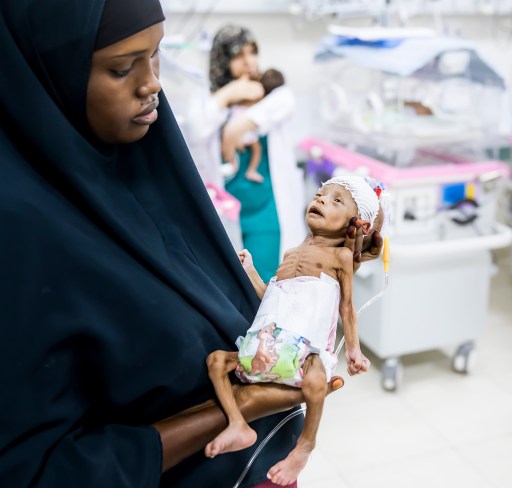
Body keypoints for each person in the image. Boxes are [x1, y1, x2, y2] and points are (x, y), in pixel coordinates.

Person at [0, 1, 381, 486]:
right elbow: (38, 470)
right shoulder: (22, 234)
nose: (152, 82)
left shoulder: (153, 172)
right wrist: (234, 409)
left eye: (155, 54)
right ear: (47, 76)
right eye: (121, 67)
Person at [205, 176, 383, 485]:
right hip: (268, 341)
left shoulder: (339, 257)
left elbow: (347, 307)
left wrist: (353, 350)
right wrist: (250, 272)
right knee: (217, 362)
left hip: (302, 349)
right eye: (319, 194)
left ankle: (305, 445)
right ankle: (237, 424)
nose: (322, 200)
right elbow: (272, 299)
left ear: (355, 225)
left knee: (317, 377)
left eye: (336, 200)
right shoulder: (290, 255)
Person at [209, 25, 306, 283]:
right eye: (239, 55)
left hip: (266, 212)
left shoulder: (275, 94)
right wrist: (228, 95)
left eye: (253, 52)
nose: (249, 61)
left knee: (264, 288)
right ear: (223, 60)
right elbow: (198, 128)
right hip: (227, 212)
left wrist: (233, 130)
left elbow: (284, 103)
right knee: (229, 287)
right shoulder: (212, 103)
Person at [226, 68, 287, 183]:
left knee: (237, 150)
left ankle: (232, 163)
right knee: (257, 148)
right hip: (243, 133)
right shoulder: (260, 101)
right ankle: (251, 170)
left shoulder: (238, 104)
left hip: (237, 132)